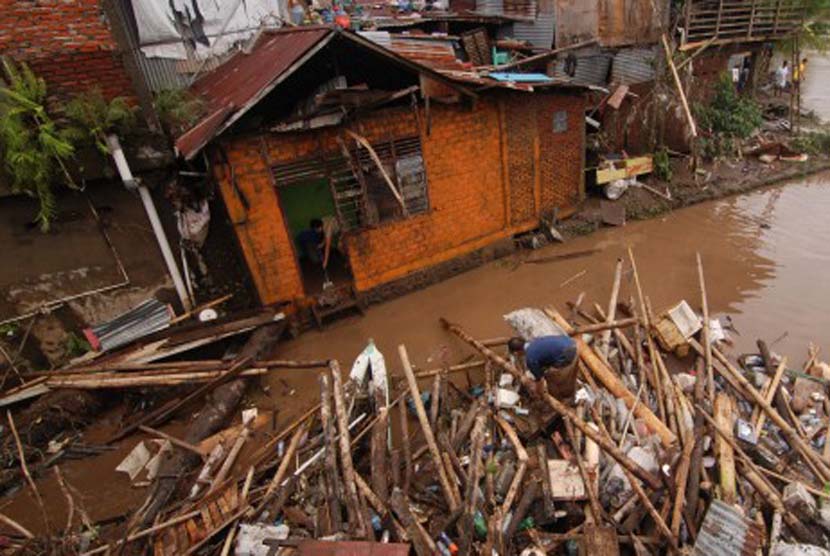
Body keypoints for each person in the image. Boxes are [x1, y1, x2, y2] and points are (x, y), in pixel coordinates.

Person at [508, 335, 578, 400]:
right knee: (548, 369)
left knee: (551, 377)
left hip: (568, 352)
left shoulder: (530, 359)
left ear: (516, 353)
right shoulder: (533, 342)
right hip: (570, 342)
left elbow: (540, 381)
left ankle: (560, 397)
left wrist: (539, 392)